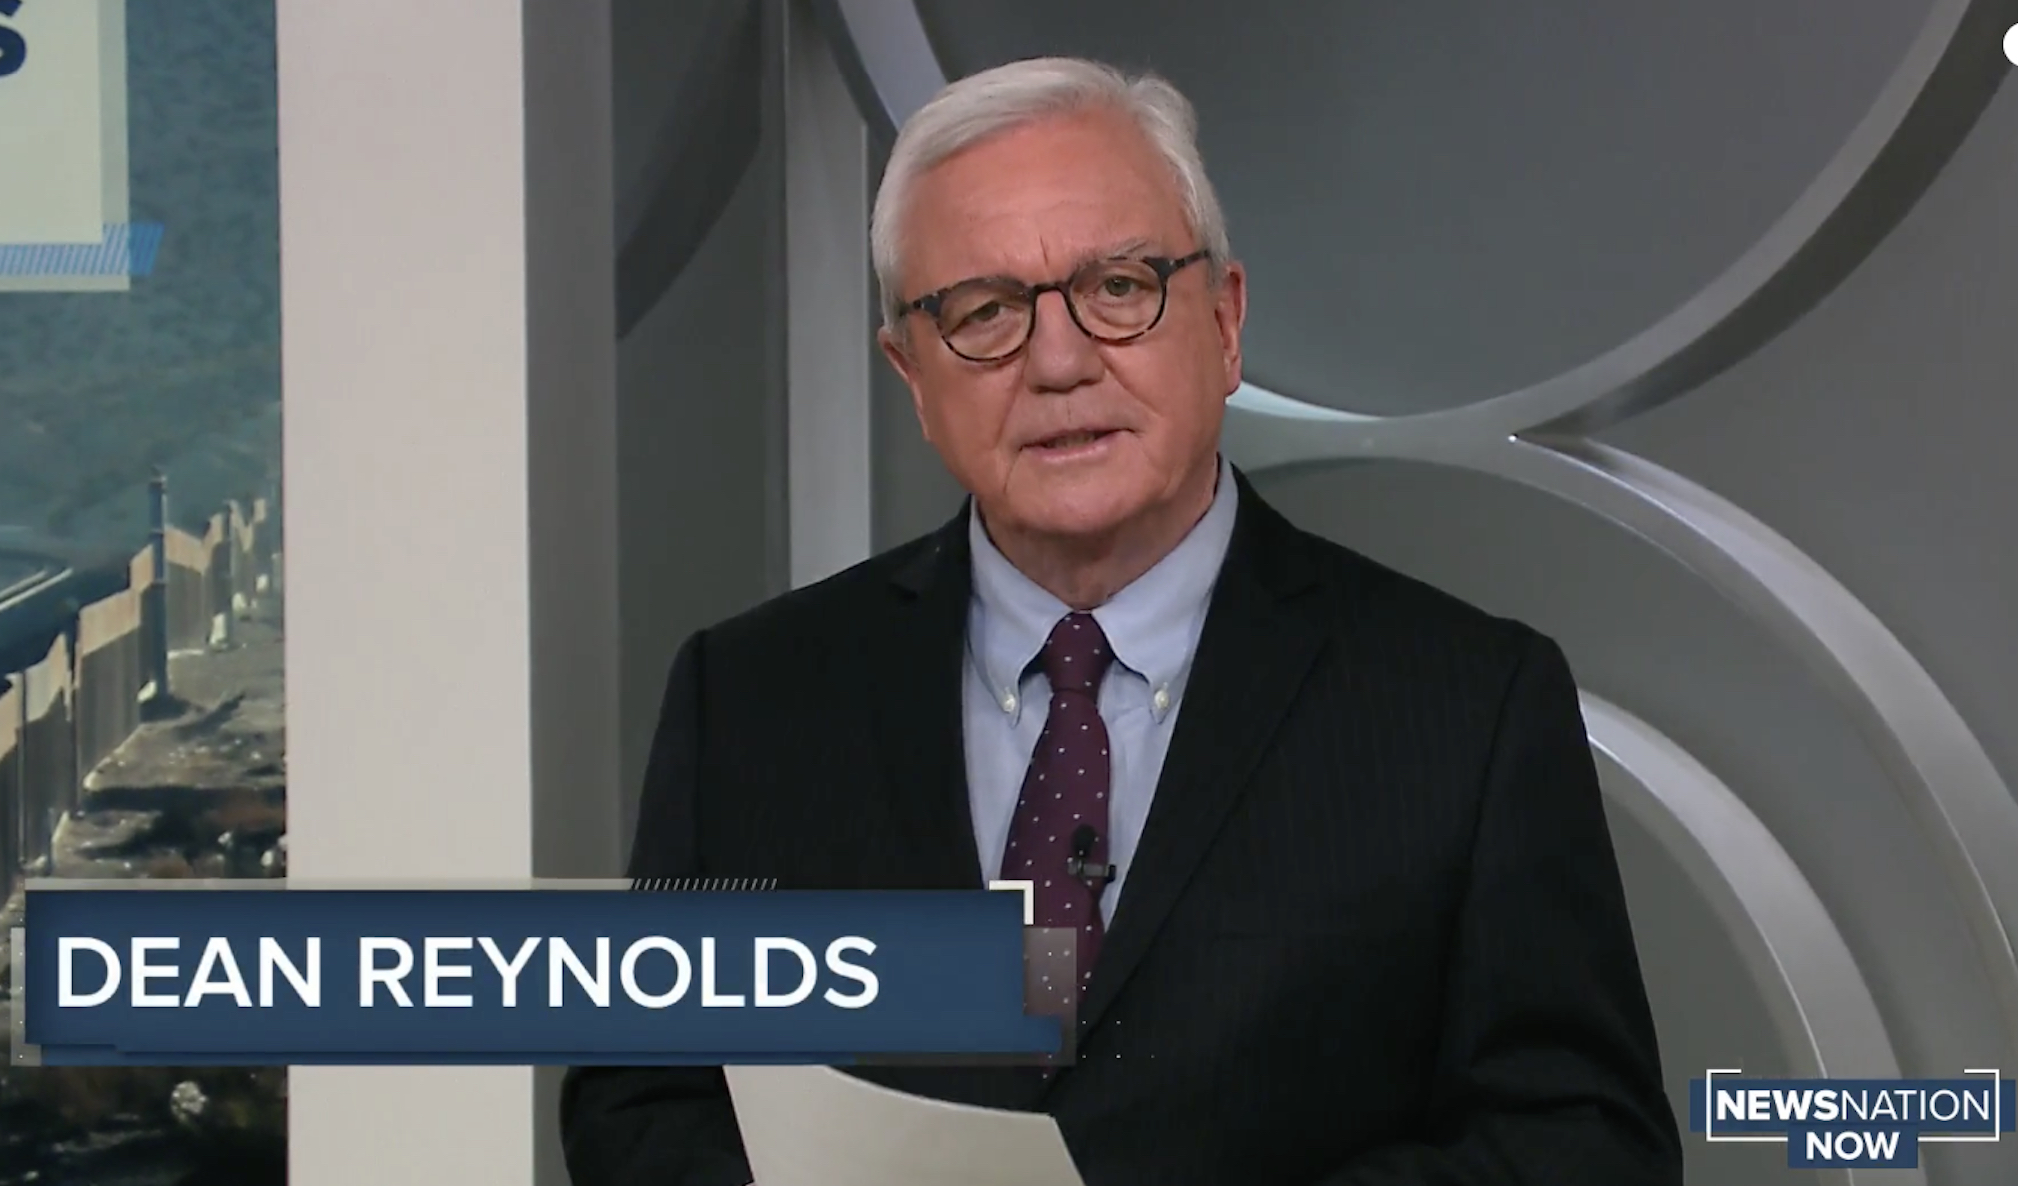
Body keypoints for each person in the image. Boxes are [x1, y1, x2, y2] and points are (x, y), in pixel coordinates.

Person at [560, 55, 1684, 1186]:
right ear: (911, 376)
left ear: (1224, 322)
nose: (1058, 363)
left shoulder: (1466, 708)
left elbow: (1584, 1144)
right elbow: (640, 1104)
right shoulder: (749, 700)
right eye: (985, 313)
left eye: (1117, 288)